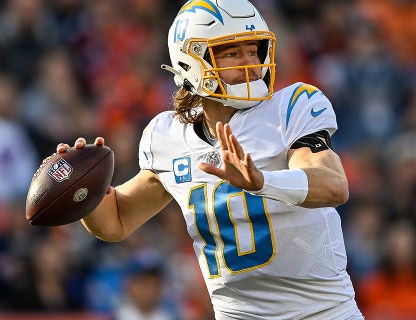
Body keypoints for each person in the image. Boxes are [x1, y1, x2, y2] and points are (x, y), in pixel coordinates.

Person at [57, 1, 363, 318]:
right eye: (232, 53)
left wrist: (263, 182)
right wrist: (81, 188)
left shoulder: (292, 106)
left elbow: (334, 185)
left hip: (325, 312)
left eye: (253, 50)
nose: (250, 62)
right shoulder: (167, 136)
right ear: (191, 62)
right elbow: (116, 221)